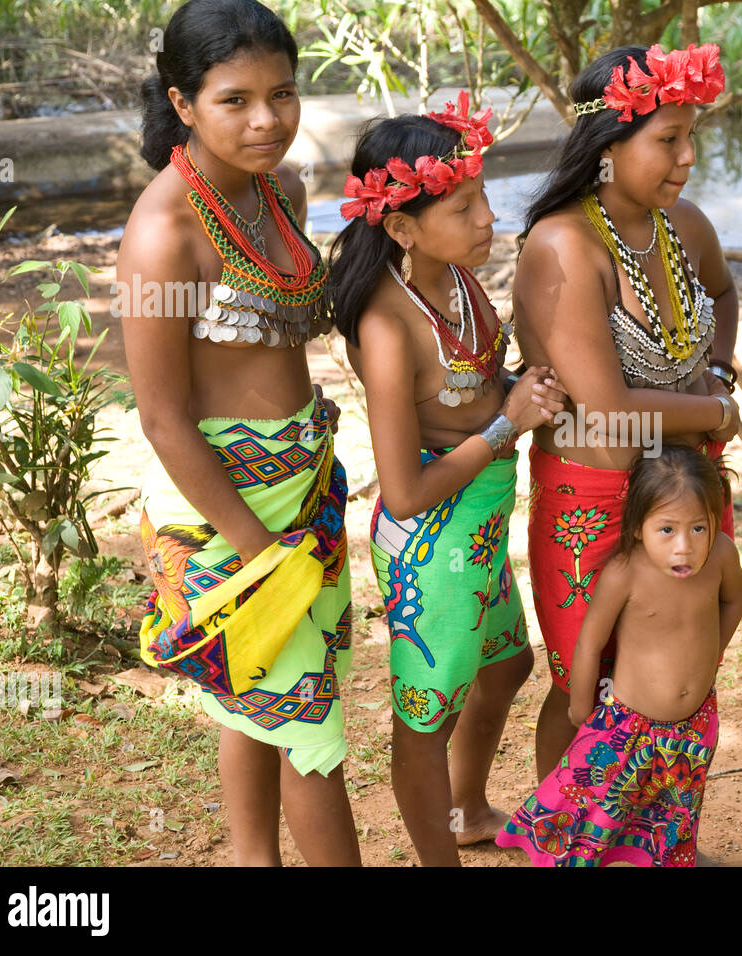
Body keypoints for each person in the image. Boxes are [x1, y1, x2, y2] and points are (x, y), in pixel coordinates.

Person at [120, 0, 360, 865]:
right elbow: (161, 417)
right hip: (227, 512)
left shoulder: (279, 191)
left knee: (257, 690)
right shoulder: (163, 234)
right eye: (235, 100)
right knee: (312, 733)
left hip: (305, 487)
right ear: (182, 103)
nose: (267, 120)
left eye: (283, 93)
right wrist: (260, 552)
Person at [325, 98, 566, 866]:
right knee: (426, 717)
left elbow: (477, 384)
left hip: (481, 525)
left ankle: (465, 808)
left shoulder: (457, 283)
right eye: (464, 207)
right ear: (401, 227)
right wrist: (508, 426)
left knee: (508, 663)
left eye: (485, 196)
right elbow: (403, 490)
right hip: (433, 544)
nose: (488, 218)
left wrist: (520, 385)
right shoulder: (388, 329)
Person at [514, 43, 742, 779]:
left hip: (683, 491)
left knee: (668, 673)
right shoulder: (564, 244)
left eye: (692, 137)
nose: (688, 158)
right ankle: (565, 838)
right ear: (607, 147)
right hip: (597, 497)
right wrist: (710, 414)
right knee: (581, 681)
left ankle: (650, 840)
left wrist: (715, 368)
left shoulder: (684, 228)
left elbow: (725, 292)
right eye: (668, 140)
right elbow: (607, 412)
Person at [496, 445, 742, 866]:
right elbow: (591, 641)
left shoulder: (720, 555)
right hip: (626, 724)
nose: (683, 546)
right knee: (594, 805)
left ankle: (672, 853)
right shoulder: (625, 571)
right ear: (636, 527)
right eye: (666, 529)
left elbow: (733, 602)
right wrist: (580, 705)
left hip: (695, 722)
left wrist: (712, 652)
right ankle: (565, 852)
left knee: (677, 806)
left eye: (698, 528)